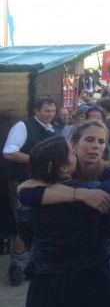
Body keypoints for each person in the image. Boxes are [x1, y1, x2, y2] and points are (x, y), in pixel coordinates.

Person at [16, 136, 110, 307]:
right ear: (63, 167)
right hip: (93, 279)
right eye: (72, 153)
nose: (76, 155)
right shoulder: (94, 193)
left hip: (46, 281)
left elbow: (27, 237)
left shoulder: (26, 198)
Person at [2, 97, 57, 285]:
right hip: (22, 183)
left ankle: (33, 263)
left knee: (41, 223)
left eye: (52, 111)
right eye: (46, 111)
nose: (50, 114)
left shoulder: (52, 130)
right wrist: (36, 160)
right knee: (23, 225)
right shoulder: (23, 127)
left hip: (45, 183)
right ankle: (16, 265)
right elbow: (9, 152)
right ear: (36, 111)